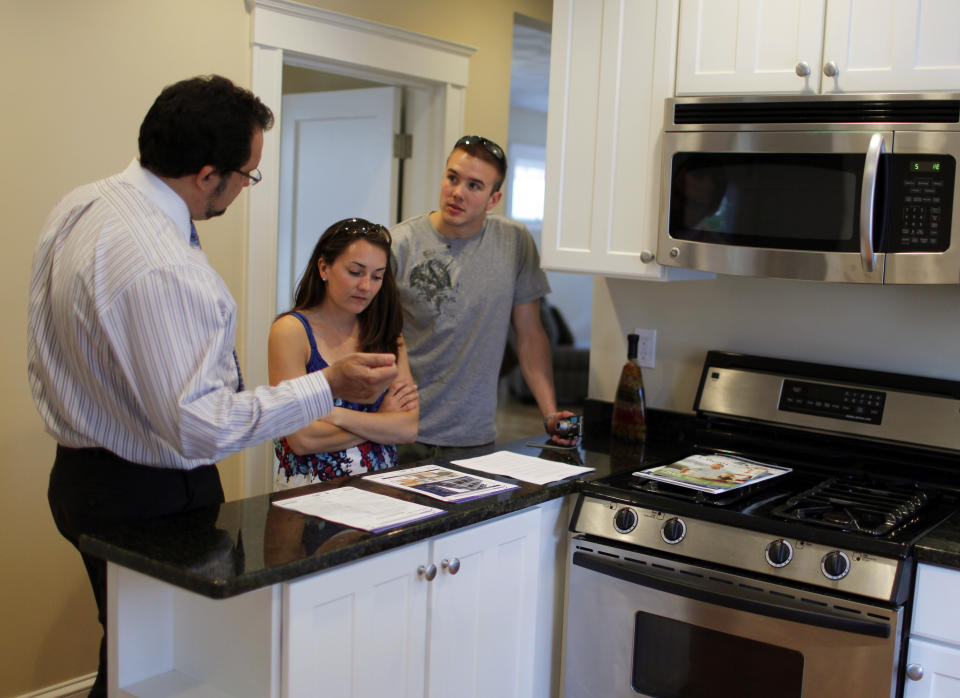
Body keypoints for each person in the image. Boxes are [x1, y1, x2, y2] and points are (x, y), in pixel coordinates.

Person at [27, 75, 397, 697]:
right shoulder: (163, 265)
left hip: (77, 477)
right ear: (207, 175)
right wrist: (327, 384)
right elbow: (206, 426)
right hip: (149, 493)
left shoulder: (82, 204)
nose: (247, 189)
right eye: (248, 176)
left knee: (130, 649)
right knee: (173, 665)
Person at [391, 135, 576, 462]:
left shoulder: (514, 241)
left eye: (474, 186)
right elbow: (374, 336)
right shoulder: (400, 244)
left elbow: (530, 333)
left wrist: (549, 413)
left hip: (474, 439)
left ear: (494, 199)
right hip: (401, 434)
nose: (457, 192)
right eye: (452, 178)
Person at [270, 217, 419, 488]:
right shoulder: (291, 331)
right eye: (355, 272)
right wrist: (380, 422)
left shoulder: (386, 332)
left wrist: (333, 416)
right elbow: (302, 439)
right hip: (309, 495)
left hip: (381, 491)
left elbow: (407, 428)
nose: (366, 287)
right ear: (324, 268)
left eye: (377, 276)